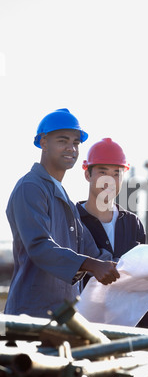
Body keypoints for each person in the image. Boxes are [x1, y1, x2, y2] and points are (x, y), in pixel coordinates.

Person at [4, 109, 119, 318]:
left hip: (65, 317)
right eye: (63, 141)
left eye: (75, 143)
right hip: (30, 316)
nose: (71, 148)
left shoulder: (65, 199)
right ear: (44, 142)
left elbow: (97, 256)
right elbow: (39, 246)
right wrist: (93, 265)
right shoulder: (30, 187)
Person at [76, 138, 148, 330]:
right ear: (88, 174)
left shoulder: (132, 223)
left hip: (133, 328)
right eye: (103, 172)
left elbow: (137, 274)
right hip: (86, 327)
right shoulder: (72, 220)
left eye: (116, 173)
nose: (109, 181)